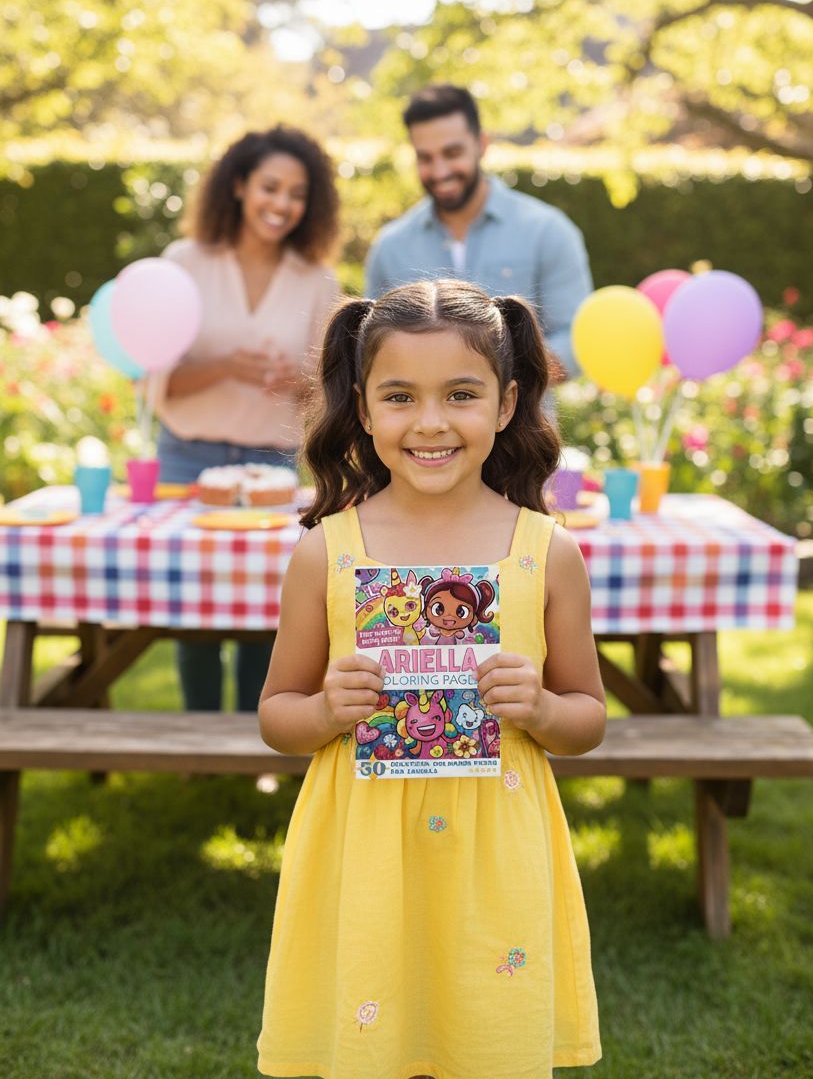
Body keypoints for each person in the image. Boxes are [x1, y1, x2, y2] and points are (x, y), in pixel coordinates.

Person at [257, 279, 605, 1077]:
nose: (431, 422)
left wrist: (543, 707)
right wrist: (325, 710)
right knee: (375, 1037)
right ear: (363, 408)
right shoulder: (327, 552)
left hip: (496, 855)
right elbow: (278, 713)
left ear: (506, 403)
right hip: (366, 852)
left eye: (461, 394)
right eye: (400, 397)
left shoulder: (546, 552)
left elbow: (588, 717)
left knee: (486, 1040)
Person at [154, 125, 341, 712]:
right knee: (193, 617)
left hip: (271, 464)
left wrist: (296, 383)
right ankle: (199, 736)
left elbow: (330, 394)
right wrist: (225, 367)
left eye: (297, 194)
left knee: (267, 613)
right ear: (238, 185)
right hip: (189, 457)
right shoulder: (183, 264)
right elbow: (156, 379)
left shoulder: (318, 280)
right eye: (270, 187)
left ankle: (256, 735)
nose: (282, 204)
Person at [364, 83, 593, 377]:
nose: (440, 171)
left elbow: (576, 340)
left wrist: (497, 376)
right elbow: (370, 349)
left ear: (482, 144)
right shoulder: (389, 247)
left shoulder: (548, 231)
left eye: (452, 153)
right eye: (425, 158)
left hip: (523, 409)